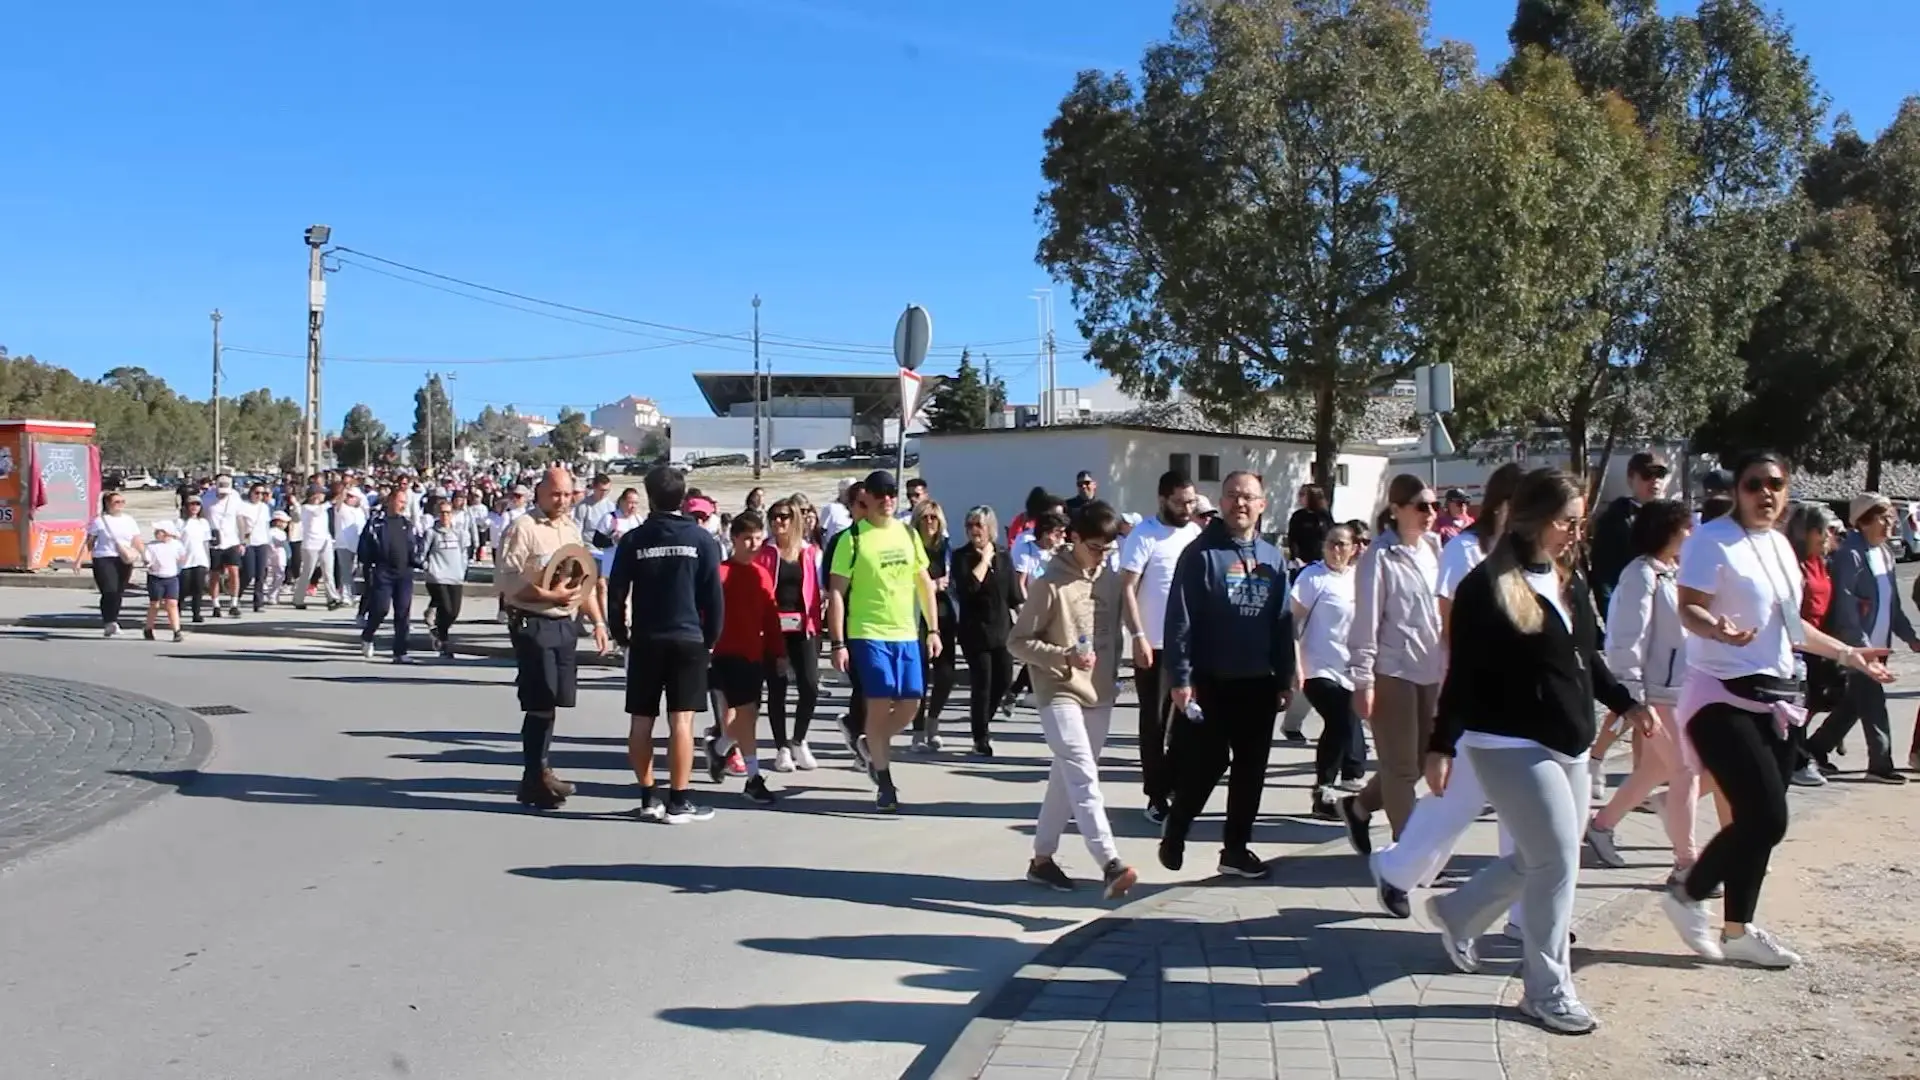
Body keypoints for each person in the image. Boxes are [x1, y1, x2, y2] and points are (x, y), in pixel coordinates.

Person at [1423, 468, 1650, 1036]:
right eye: (1566, 521)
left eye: (1580, 521)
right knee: (1556, 861)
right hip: (1506, 742)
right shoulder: (1485, 587)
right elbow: (1464, 673)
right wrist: (1440, 744)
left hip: (1567, 739)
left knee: (1541, 857)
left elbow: (1586, 659)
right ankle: (1546, 990)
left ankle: (1458, 912)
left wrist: (1626, 702)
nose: (1576, 531)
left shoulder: (1566, 579)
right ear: (1532, 519)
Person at [1665, 451, 1893, 969]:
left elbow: (1793, 627)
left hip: (1779, 697)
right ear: (1738, 489)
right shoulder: (1710, 540)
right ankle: (1687, 892)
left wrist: (1848, 655)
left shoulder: (1780, 548)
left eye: (1775, 484)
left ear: (1786, 491)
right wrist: (1716, 628)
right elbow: (1689, 607)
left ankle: (1738, 928)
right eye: (1754, 484)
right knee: (1767, 816)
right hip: (1720, 694)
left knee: (1755, 821)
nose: (1765, 493)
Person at [1159, 470, 1294, 880]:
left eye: (1249, 497)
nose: (1240, 503)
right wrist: (1180, 679)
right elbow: (1179, 620)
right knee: (1207, 763)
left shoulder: (1273, 558)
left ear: (1262, 505)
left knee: (1251, 770)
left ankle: (1235, 849)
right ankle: (1177, 827)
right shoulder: (1201, 554)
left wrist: (1285, 677)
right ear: (1222, 500)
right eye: (1233, 495)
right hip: (1211, 679)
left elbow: (1282, 622)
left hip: (1258, 680)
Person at [1586, 500, 1716, 888]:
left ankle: (1601, 825)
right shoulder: (1640, 576)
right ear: (1667, 531)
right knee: (1686, 770)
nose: (1690, 535)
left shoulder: (1674, 574)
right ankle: (1686, 862)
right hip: (1655, 693)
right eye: (1684, 528)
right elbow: (1627, 638)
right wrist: (1634, 697)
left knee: (1657, 769)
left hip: (1680, 689)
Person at [1012, 499, 1137, 900]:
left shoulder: (1111, 580)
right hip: (1058, 689)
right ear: (1074, 538)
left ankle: (1042, 860)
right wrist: (1063, 656)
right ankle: (1110, 863)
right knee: (1083, 774)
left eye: (1107, 549)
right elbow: (1017, 642)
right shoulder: (1049, 584)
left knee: (1065, 780)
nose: (1100, 556)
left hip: (1098, 690)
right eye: (1094, 548)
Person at [608, 465, 723, 823]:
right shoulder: (703, 540)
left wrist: (620, 634)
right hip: (688, 640)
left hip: (646, 639)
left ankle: (647, 796)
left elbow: (616, 593)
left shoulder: (633, 540)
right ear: (684, 498)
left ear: (649, 496)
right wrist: (710, 641)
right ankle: (679, 800)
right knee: (682, 722)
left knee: (641, 722)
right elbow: (714, 598)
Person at [826, 469, 943, 812]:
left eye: (892, 493)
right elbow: (835, 593)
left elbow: (924, 582)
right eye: (880, 493)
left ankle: (870, 743)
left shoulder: (907, 533)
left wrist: (933, 629)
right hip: (868, 634)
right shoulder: (853, 539)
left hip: (906, 633)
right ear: (867, 497)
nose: (887, 499)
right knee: (878, 703)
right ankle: (885, 781)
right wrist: (837, 642)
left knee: (911, 703)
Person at [1341, 474, 1445, 851]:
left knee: (1416, 765)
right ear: (1397, 510)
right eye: (1421, 506)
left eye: (1434, 505)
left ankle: (1358, 806)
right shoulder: (1378, 557)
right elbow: (1365, 622)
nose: (1430, 513)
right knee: (1401, 770)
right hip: (1392, 672)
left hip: (1429, 671)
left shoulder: (1435, 548)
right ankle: (1410, 856)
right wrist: (1363, 681)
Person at [1805, 492, 1920, 783]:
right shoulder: (1850, 554)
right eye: (1883, 519)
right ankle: (1880, 764)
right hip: (1855, 648)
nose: (1889, 525)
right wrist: (1862, 650)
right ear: (1864, 521)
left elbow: (1892, 605)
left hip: (1878, 648)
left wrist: (1910, 637)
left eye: (1891, 519)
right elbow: (1845, 609)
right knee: (1873, 701)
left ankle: (1814, 749)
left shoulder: (1884, 554)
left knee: (1854, 704)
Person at [1119, 470, 1202, 823]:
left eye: (1191, 502)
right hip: (1153, 643)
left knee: (1188, 719)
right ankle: (1155, 793)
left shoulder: (1197, 534)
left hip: (1191, 645)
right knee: (1153, 722)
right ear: (1162, 499)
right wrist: (1137, 636)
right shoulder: (1144, 535)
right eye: (1181, 502)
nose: (1187, 508)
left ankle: (1174, 779)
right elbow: (1127, 589)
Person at [705, 511, 788, 805]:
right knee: (747, 714)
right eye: (747, 539)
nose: (754, 544)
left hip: (755, 654)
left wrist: (778, 653)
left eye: (757, 538)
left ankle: (720, 747)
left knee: (748, 714)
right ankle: (753, 778)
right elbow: (705, 612)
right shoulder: (720, 573)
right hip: (726, 654)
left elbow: (771, 617)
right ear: (734, 539)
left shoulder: (761, 574)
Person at [1294, 523, 1360, 820]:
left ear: (1354, 549)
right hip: (1316, 667)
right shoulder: (1312, 577)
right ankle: (1323, 791)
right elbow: (1291, 622)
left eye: (1343, 544)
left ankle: (1327, 788)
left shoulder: (1358, 580)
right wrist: (1294, 665)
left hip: (1349, 668)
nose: (1336, 549)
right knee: (1339, 718)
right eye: (1331, 543)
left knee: (1343, 724)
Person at [758, 497, 824, 771]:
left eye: (784, 516)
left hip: (804, 627)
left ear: (794, 518)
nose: (778, 522)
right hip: (774, 628)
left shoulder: (810, 552)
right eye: (773, 516)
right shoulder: (765, 552)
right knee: (777, 688)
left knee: (809, 685)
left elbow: (818, 588)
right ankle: (781, 747)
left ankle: (799, 739)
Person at [952, 505, 1022, 756]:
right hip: (975, 631)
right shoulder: (961, 556)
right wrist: (983, 559)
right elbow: (968, 589)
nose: (973, 531)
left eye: (978, 525)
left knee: (1003, 681)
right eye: (969, 525)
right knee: (982, 684)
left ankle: (983, 721)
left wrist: (1026, 618)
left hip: (1002, 629)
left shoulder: (1004, 555)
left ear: (989, 527)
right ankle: (980, 737)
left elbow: (1014, 594)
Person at [1784, 503, 1842, 787]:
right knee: (1800, 702)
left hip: (1818, 642)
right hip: (1797, 644)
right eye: (1822, 530)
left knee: (1819, 699)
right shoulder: (1792, 562)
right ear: (1807, 531)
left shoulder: (1820, 561)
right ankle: (1797, 759)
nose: (1827, 536)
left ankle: (1799, 753)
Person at [908, 500, 959, 751]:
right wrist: (930, 585)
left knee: (946, 674)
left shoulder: (946, 548)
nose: (929, 523)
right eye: (925, 518)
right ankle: (917, 730)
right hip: (917, 614)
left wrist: (941, 585)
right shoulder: (909, 547)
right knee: (919, 676)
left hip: (943, 612)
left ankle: (933, 721)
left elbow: (951, 580)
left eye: (934, 518)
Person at [356, 489, 423, 664]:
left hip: (404, 573)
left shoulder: (407, 524)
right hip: (383, 572)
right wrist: (368, 566)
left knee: (403, 612)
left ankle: (400, 652)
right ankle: (368, 635)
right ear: (391, 501)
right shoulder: (376, 523)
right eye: (400, 501)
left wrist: (418, 561)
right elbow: (364, 546)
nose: (403, 506)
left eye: (404, 502)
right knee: (380, 609)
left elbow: (415, 546)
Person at [85, 492, 144, 637]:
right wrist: (88, 556)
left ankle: (113, 620)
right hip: (104, 558)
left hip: (124, 558)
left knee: (118, 591)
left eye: (122, 501)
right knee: (109, 590)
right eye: (116, 502)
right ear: (108, 504)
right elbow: (90, 541)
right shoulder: (100, 521)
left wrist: (145, 556)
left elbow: (136, 539)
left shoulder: (129, 520)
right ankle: (109, 621)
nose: (120, 504)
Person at [423, 501, 470, 658]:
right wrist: (428, 567)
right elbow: (422, 553)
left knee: (453, 612)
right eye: (442, 512)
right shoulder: (431, 533)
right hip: (438, 576)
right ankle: (443, 642)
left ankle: (438, 632)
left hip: (455, 576)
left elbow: (464, 553)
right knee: (446, 609)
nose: (445, 516)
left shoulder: (459, 533)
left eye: (448, 512)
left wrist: (463, 570)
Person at [292, 487, 341, 610]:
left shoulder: (323, 508)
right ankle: (298, 599)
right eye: (321, 494)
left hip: (325, 542)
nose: (324, 496)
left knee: (328, 572)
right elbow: (317, 512)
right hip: (310, 544)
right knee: (307, 572)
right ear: (314, 495)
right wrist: (330, 502)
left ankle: (332, 598)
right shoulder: (306, 508)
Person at [204, 474, 245, 617]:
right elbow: (203, 517)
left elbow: (240, 520)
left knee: (234, 571)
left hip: (231, 541)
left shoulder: (235, 497)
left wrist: (242, 540)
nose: (222, 495)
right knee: (214, 574)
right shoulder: (207, 497)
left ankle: (234, 603)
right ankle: (215, 604)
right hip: (214, 541)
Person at [142, 520, 186, 643]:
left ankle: (176, 631)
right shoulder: (151, 546)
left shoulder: (177, 545)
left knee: (172, 603)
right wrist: (148, 563)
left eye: (160, 531)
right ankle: (148, 627)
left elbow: (182, 558)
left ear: (167, 533)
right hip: (156, 578)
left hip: (171, 577)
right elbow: (147, 558)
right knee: (155, 604)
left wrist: (179, 565)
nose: (157, 533)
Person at [238, 482, 274, 613]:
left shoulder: (264, 507)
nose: (259, 496)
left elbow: (266, 526)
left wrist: (270, 542)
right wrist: (241, 541)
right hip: (248, 542)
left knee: (261, 574)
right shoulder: (243, 506)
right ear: (251, 493)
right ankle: (236, 595)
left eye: (262, 493)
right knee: (248, 573)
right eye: (257, 493)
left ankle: (258, 602)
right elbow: (240, 525)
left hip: (262, 542)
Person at [178, 498, 212, 625]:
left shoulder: (203, 522)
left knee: (198, 588)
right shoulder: (180, 522)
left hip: (200, 558)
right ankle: (178, 609)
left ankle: (196, 613)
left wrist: (208, 561)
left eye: (197, 504)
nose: (195, 507)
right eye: (192, 504)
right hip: (185, 560)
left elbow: (205, 543)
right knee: (184, 588)